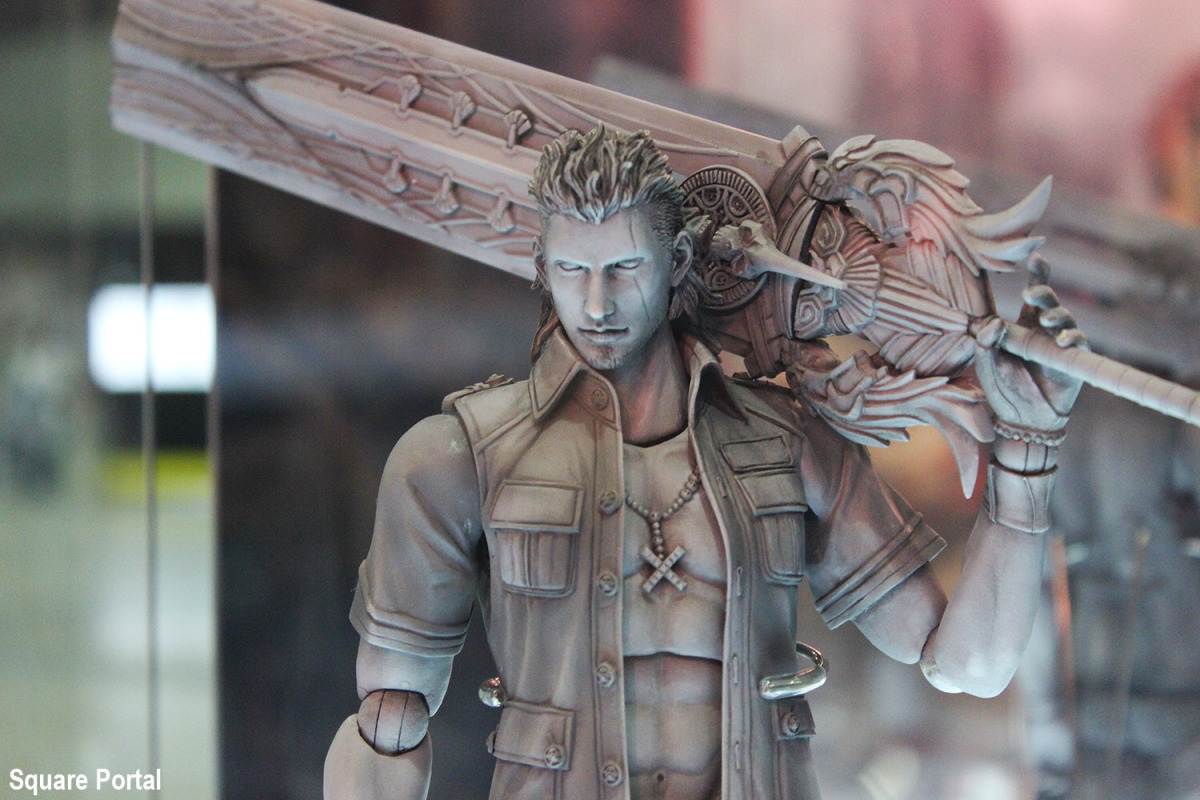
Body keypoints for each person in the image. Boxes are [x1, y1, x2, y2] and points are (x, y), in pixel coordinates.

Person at [324, 125, 1083, 800]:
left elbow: (972, 666)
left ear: (678, 259)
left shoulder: (788, 442)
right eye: (572, 270)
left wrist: (1027, 449)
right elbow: (390, 718)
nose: (597, 305)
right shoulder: (455, 459)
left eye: (624, 267)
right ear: (542, 268)